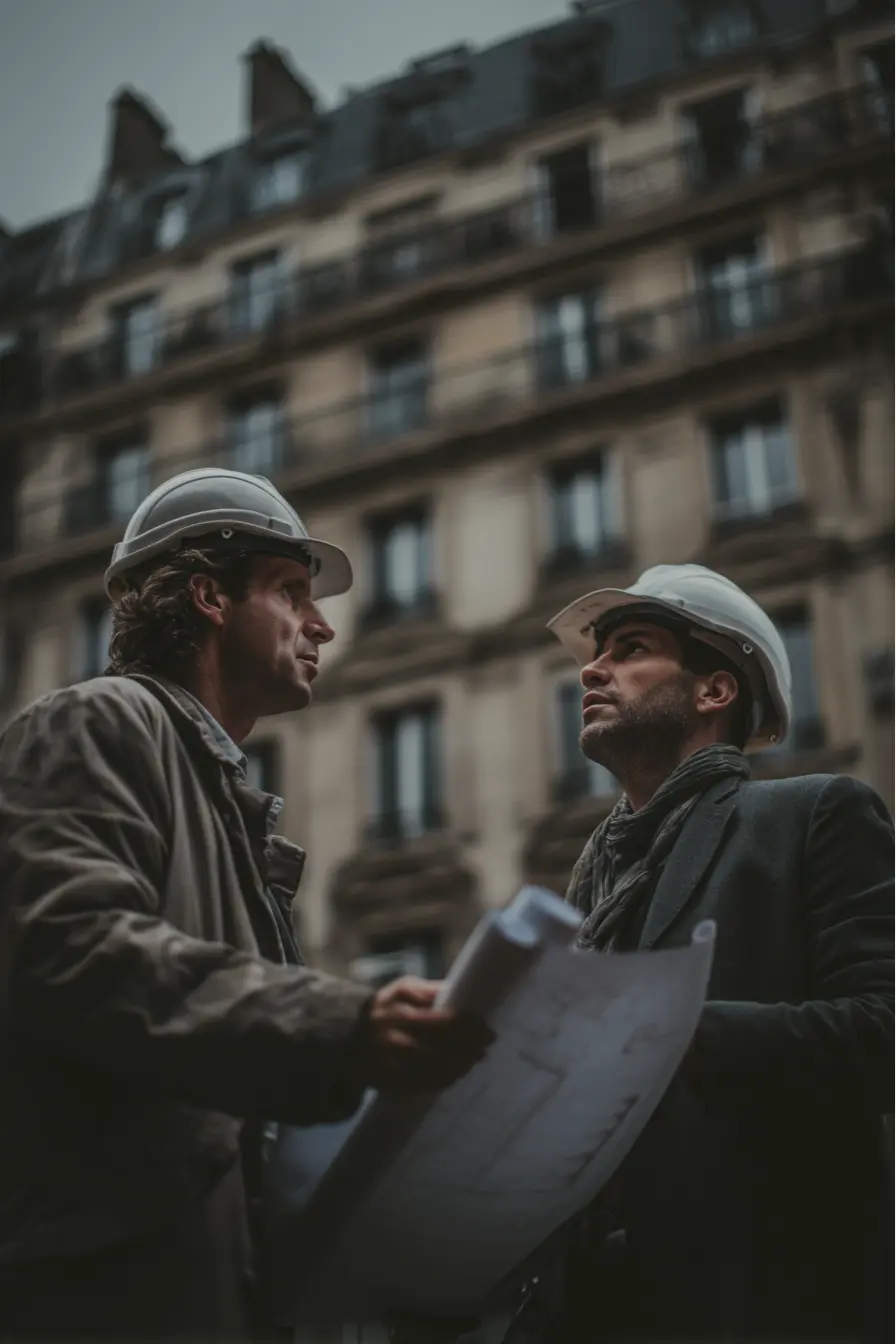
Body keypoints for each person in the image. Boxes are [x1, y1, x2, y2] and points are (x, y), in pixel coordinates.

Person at [0, 468, 492, 1342]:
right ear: (207, 596)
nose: (323, 624)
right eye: (291, 592)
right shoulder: (96, 721)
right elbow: (68, 948)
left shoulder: (227, 806)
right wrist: (342, 1026)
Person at [503, 563, 893, 1344]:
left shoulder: (815, 815)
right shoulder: (586, 887)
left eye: (631, 648)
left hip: (761, 1306)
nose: (592, 668)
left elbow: (882, 1031)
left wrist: (666, 1032)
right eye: (597, 652)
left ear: (714, 691)